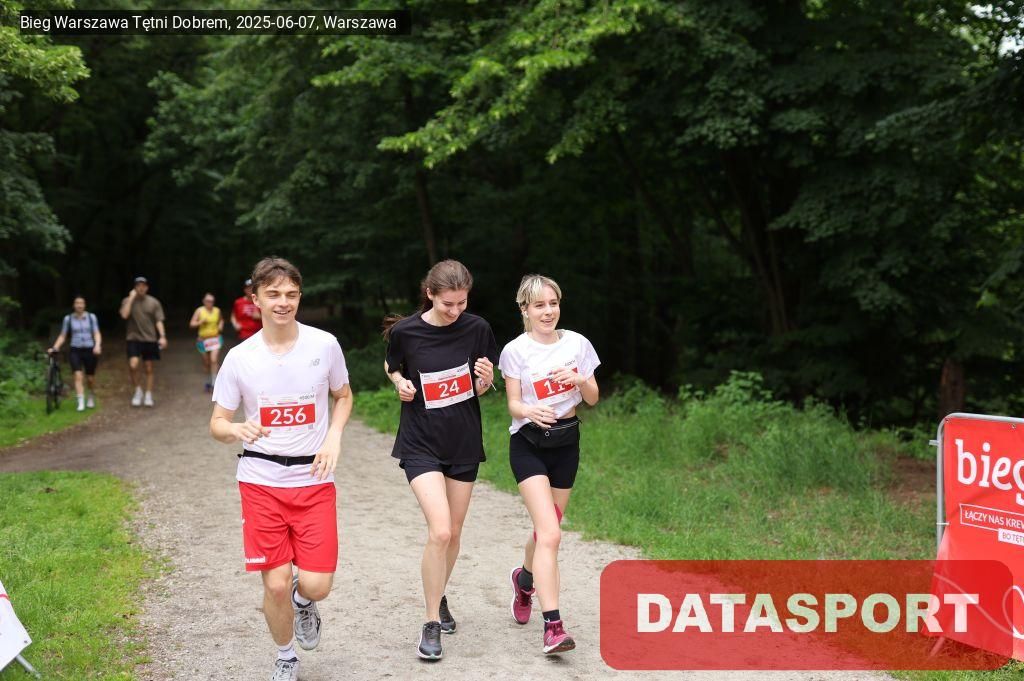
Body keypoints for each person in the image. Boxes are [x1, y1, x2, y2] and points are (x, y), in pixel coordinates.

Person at [210, 256, 353, 681]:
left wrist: (333, 436)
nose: (283, 302)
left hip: (314, 480)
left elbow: (343, 396)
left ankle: (303, 602)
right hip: (261, 481)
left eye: (291, 294)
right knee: (273, 583)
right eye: (272, 294)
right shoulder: (240, 357)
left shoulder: (324, 345)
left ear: (300, 297)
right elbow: (217, 423)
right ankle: (286, 656)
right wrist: (235, 428)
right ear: (254, 299)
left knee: (317, 585)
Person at [382, 259, 499, 661]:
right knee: (441, 531)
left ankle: (439, 592)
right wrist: (400, 383)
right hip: (420, 442)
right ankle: (431, 622)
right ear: (430, 294)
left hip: (463, 441)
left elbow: (480, 384)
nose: (455, 311)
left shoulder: (478, 328)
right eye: (448, 303)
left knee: (455, 530)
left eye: (462, 303)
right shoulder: (406, 331)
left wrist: (485, 381)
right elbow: (392, 366)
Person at [498, 274, 600, 655]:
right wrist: (529, 410)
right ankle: (553, 627)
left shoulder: (577, 344)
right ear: (524, 309)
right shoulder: (515, 351)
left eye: (553, 303)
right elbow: (513, 403)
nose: (548, 311)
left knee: (547, 530)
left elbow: (592, 397)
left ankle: (524, 580)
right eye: (539, 305)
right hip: (528, 444)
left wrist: (578, 378)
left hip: (566, 444)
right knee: (552, 535)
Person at [118, 276, 167, 407]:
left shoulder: (154, 302)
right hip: (133, 338)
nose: (141, 288)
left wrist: (162, 336)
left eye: (143, 285)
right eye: (138, 285)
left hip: (150, 339)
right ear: (134, 287)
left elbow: (158, 321)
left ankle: (148, 394)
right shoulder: (127, 301)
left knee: (149, 367)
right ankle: (138, 390)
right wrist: (131, 298)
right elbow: (124, 315)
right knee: (133, 365)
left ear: (147, 287)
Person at [49, 296, 102, 411]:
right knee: (77, 375)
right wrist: (55, 347)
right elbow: (63, 335)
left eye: (81, 303)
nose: (79, 305)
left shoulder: (91, 317)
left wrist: (97, 345)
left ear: (84, 305)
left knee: (90, 378)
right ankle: (80, 402)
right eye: (77, 303)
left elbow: (96, 333)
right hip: (75, 350)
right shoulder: (68, 319)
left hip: (90, 349)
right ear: (74, 305)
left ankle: (91, 395)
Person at [190, 292, 224, 392]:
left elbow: (221, 320)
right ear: (204, 301)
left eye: (212, 301)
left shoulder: (217, 310)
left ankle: (214, 383)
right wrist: (200, 322)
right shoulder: (199, 311)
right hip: (203, 340)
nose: (210, 303)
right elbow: (191, 324)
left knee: (214, 360)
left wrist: (220, 326)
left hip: (215, 339)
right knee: (206, 363)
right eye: (208, 301)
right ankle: (208, 381)